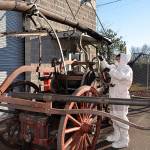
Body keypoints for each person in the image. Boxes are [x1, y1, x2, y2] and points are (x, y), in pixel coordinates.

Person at [98, 52, 133, 148]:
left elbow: (120, 76)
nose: (116, 60)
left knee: (121, 118)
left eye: (118, 58)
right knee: (114, 116)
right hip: (114, 96)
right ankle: (117, 135)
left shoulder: (127, 69)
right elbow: (109, 66)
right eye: (116, 58)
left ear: (123, 59)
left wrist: (110, 69)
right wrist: (103, 60)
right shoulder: (116, 67)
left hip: (121, 97)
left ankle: (124, 139)